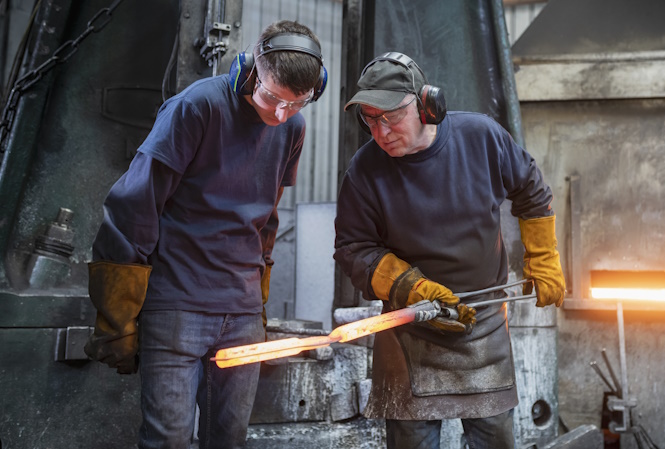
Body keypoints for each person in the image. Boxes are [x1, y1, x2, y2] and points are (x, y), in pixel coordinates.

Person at [83, 20, 326, 449]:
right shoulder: (197, 107)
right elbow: (135, 204)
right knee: (170, 440)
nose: (280, 114)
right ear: (248, 70)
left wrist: (258, 297)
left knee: (228, 440)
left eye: (298, 103)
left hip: (242, 312)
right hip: (178, 305)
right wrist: (117, 314)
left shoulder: (292, 127)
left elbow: (267, 218)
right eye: (272, 97)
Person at [333, 52, 566, 449]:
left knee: (494, 439)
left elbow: (531, 191)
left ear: (427, 106)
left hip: (485, 323)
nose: (381, 131)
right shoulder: (364, 171)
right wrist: (410, 287)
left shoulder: (482, 137)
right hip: (410, 329)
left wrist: (543, 259)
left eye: (390, 116)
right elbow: (353, 249)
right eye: (370, 119)